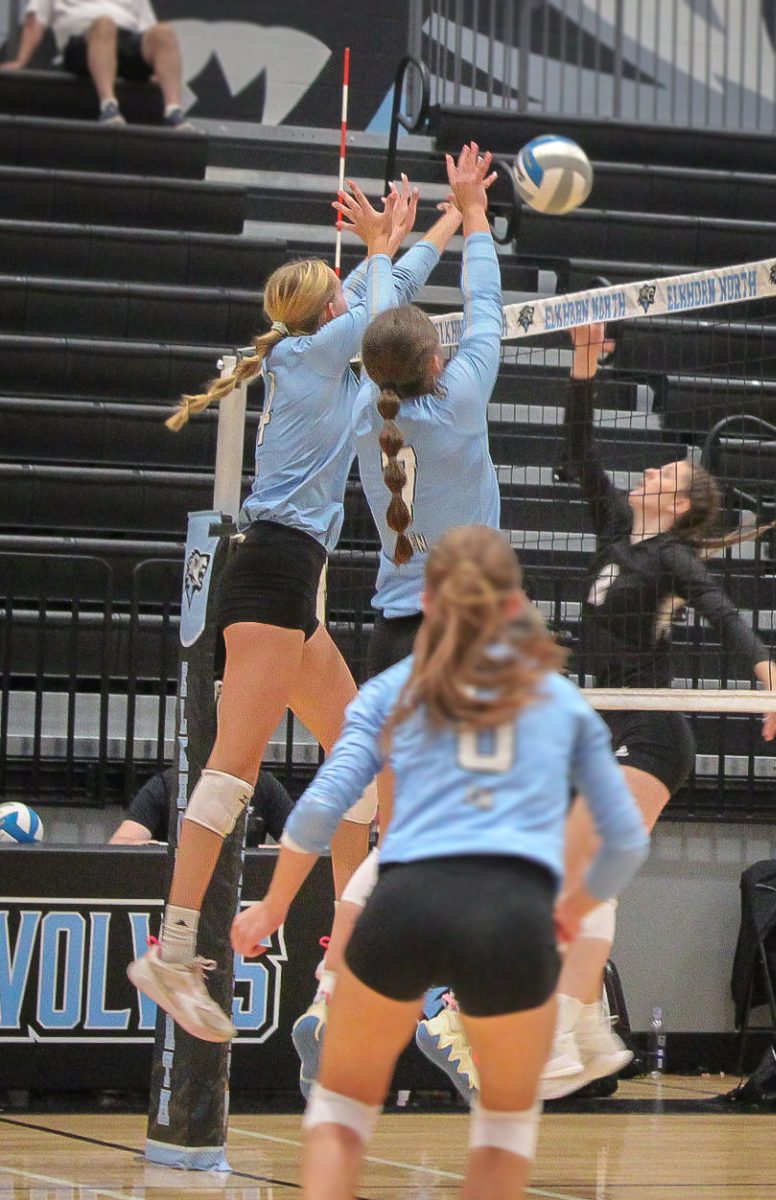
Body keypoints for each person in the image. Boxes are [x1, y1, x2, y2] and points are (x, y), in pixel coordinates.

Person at [126, 178, 462, 1044]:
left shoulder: (326, 354)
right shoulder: (313, 356)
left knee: (360, 753)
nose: (355, 290)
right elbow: (388, 305)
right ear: (327, 312)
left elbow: (393, 298)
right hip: (271, 575)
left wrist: (450, 220)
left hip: (291, 587)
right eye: (344, 289)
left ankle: (344, 961)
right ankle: (170, 951)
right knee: (232, 772)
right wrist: (386, 245)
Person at [231, 524, 651, 1200]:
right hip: (512, 917)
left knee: (340, 1116)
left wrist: (274, 905)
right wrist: (574, 915)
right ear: (512, 606)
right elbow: (623, 837)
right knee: (503, 1131)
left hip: (406, 899)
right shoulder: (557, 702)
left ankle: (328, 1002)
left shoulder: (390, 694)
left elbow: (320, 810)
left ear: (428, 602)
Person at [533, 320, 776, 1098]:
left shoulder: (675, 559)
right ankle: (585, 1026)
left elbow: (722, 611)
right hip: (601, 729)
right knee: (583, 878)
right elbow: (581, 453)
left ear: (682, 502)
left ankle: (566, 1023)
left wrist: (768, 670)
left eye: (664, 470)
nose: (649, 469)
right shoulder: (619, 534)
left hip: (653, 738)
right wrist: (582, 369)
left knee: (581, 875)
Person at [291, 141, 503, 1099]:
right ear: (436, 357)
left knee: (399, 827)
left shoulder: (380, 400)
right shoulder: (457, 406)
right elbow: (486, 311)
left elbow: (383, 317)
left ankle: (337, 989)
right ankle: (439, 1008)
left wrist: (399, 243)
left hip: (388, 633)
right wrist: (473, 220)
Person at [2, 1, 195, 129]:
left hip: (125, 41)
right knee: (105, 25)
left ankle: (173, 111)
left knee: (164, 32)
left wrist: (155, 69)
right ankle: (109, 106)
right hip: (81, 43)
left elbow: (149, 29)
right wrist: (22, 60)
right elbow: (36, 20)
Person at [109, 766, 293, 846]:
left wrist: (256, 854)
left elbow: (303, 845)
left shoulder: (263, 784)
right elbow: (120, 845)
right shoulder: (168, 784)